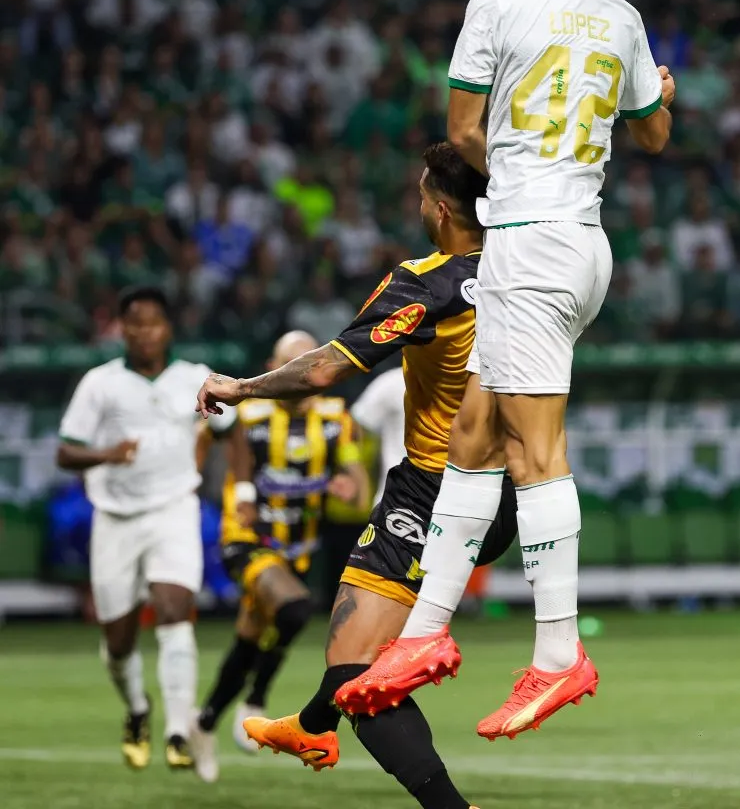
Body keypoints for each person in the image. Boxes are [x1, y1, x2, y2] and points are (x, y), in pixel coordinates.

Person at [336, 0, 676, 742]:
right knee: (473, 437)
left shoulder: (496, 1)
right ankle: (422, 634)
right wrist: (648, 100)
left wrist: (523, 167)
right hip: (579, 243)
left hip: (531, 239)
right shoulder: (621, 11)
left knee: (534, 453)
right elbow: (653, 133)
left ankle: (560, 655)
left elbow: (461, 130)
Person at [196, 143, 516, 809]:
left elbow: (323, 370)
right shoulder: (529, 267)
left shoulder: (427, 282)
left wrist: (242, 387)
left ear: (442, 206)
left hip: (434, 490)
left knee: (358, 674)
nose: (420, 202)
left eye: (425, 192)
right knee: (361, 652)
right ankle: (313, 726)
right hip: (511, 491)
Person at [57, 285, 242, 771]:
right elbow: (65, 451)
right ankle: (138, 708)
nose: (145, 332)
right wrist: (106, 454)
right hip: (114, 518)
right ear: (123, 328)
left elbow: (231, 430)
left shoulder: (196, 378)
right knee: (118, 640)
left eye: (154, 322)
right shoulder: (100, 383)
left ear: (169, 328)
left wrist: (240, 493)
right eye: (135, 323)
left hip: (173, 509)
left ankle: (178, 732)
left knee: (174, 609)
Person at [189, 331, 367, 782]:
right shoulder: (250, 412)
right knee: (294, 608)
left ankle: (204, 721)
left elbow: (357, 485)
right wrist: (198, 483)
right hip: (245, 538)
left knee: (251, 637)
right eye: (291, 363)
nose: (302, 373)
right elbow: (206, 438)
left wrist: (348, 485)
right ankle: (256, 701)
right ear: (275, 367)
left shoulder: (335, 417)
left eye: (308, 362)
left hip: (298, 548)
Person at [350, 365, 406, 504]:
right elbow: (357, 428)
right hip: (398, 498)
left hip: (457, 499)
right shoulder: (394, 382)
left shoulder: (467, 383)